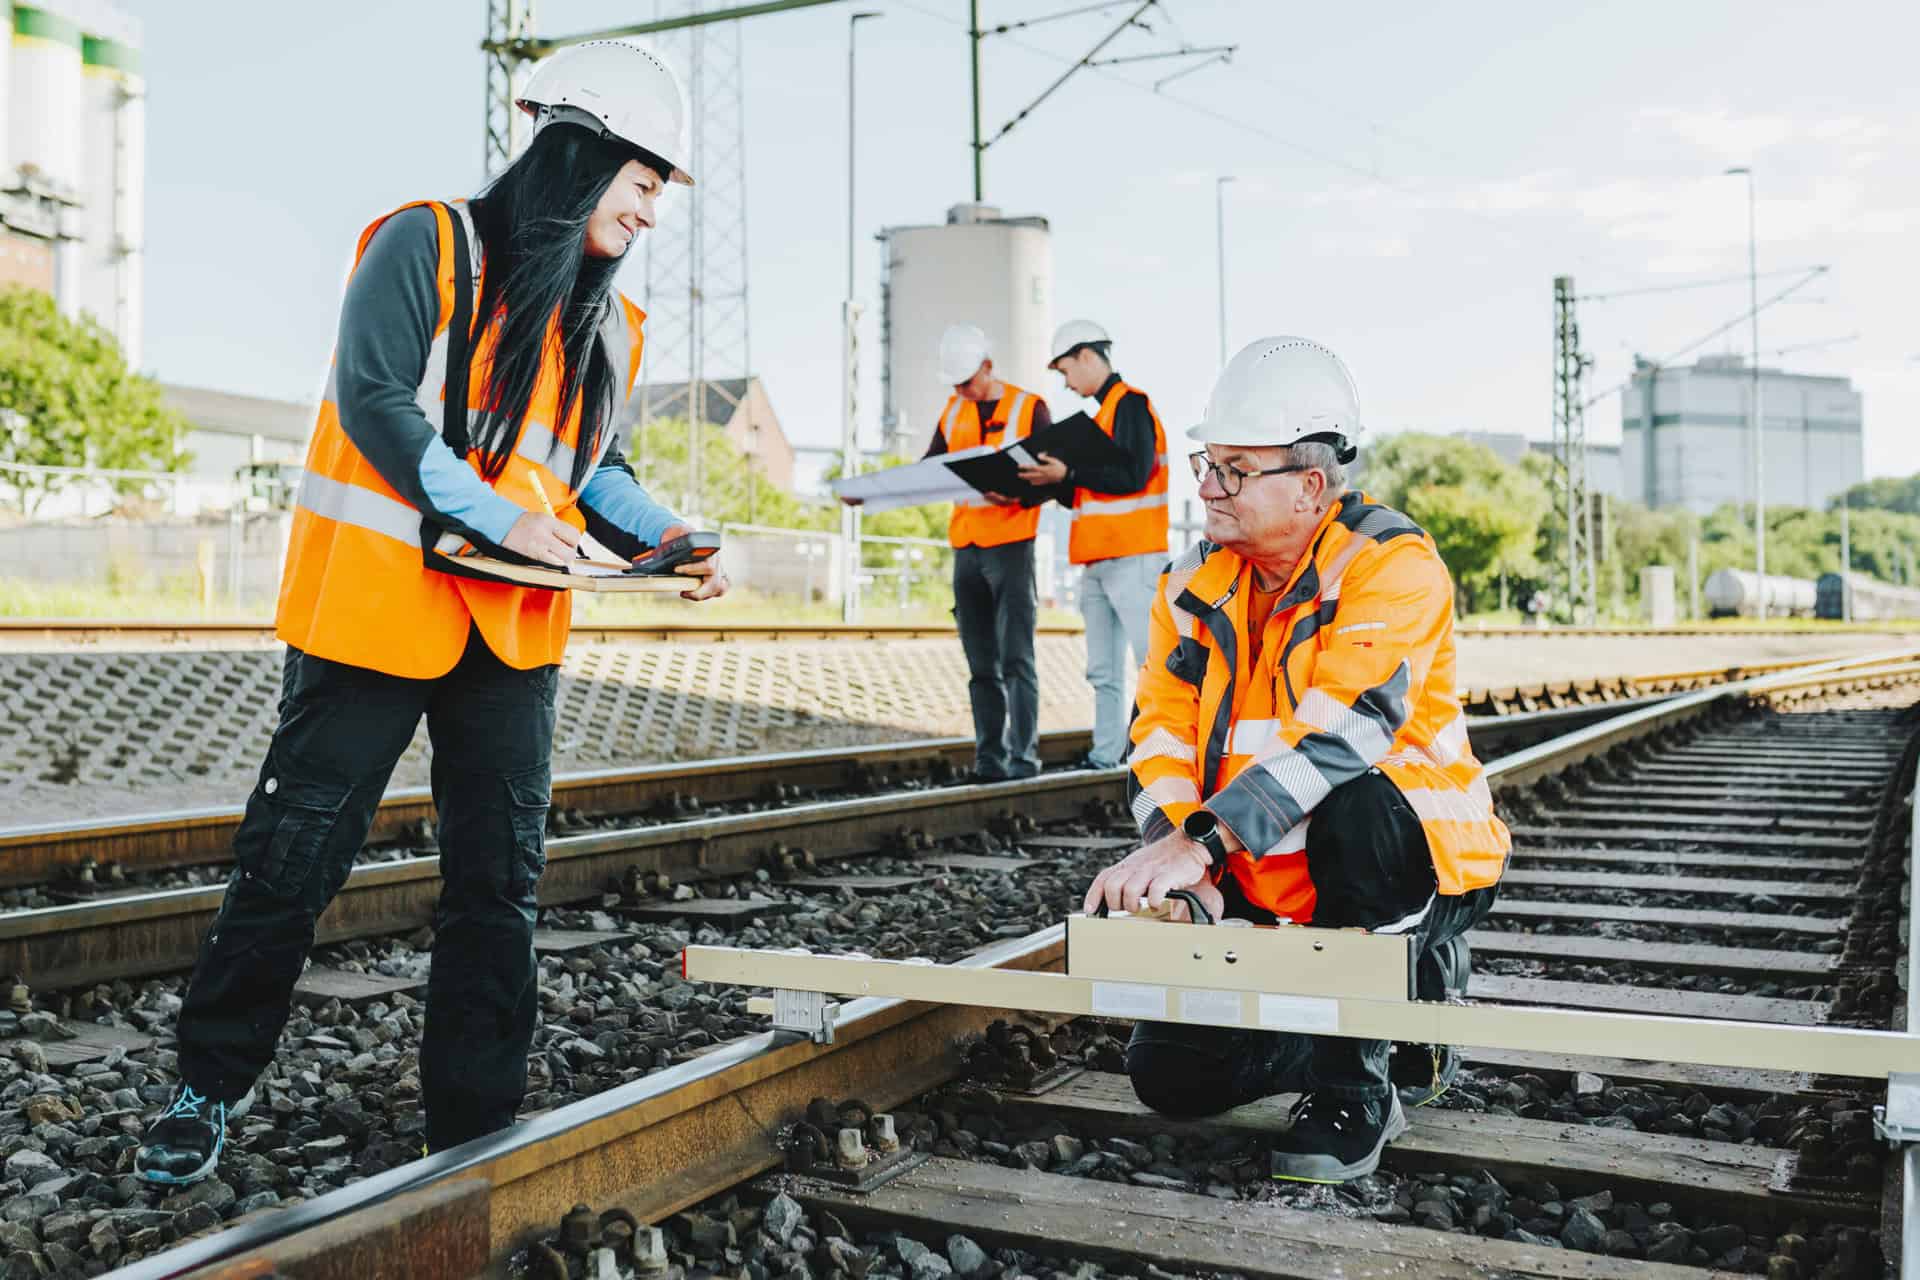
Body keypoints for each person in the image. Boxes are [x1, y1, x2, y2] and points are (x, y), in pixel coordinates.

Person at [134, 39, 728, 1186]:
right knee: (292, 859)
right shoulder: (426, 243)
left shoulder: (609, 322)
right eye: (646, 181)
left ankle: (471, 1125)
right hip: (375, 612)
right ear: (583, 152)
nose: (653, 213)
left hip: (510, 633)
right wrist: (504, 520)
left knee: (499, 881)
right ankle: (205, 1085)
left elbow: (593, 469)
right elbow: (374, 401)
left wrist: (669, 536)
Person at [1080, 337, 1510, 1183]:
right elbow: (1157, 736)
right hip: (1258, 863)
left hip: (1409, 861)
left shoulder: (1392, 565)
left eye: (1235, 470)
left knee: (1358, 806)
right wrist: (1183, 858)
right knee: (1170, 1077)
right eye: (1209, 464)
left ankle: (1358, 1083)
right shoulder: (1190, 585)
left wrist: (1204, 843)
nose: (1207, 487)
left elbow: (1344, 732)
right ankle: (1363, 1028)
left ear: (1312, 485)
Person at [1021, 320, 1168, 770]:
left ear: (1086, 356)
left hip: (1134, 558)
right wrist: (1053, 481)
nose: (1066, 383)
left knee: (1154, 666)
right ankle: (1107, 757)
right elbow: (1091, 490)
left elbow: (1132, 475)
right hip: (1098, 562)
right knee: (1103, 672)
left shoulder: (1132, 406)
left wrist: (1068, 473)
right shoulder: (1102, 418)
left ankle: (1162, 758)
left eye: (1065, 371)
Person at [921, 323, 1053, 780]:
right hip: (967, 547)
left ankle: (1023, 759)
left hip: (1012, 545)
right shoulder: (952, 410)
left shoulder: (1030, 408)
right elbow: (930, 468)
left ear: (988, 367)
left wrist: (1015, 495)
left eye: (966, 381)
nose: (961, 390)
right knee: (981, 664)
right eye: (955, 384)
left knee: (1016, 658)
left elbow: (1054, 480)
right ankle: (989, 760)